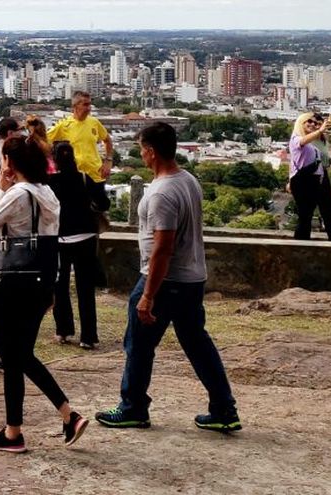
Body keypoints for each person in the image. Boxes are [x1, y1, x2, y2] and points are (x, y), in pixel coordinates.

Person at [96, 122, 240, 433]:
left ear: (150, 152)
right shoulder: (188, 180)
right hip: (191, 279)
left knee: (138, 344)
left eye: (141, 149)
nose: (141, 155)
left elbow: (163, 248)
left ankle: (132, 407)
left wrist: (148, 294)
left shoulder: (161, 193)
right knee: (198, 344)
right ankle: (224, 408)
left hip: (164, 281)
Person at [0, 135, 86, 453]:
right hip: (42, 281)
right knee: (18, 355)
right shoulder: (46, 192)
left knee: (15, 356)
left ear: (10, 162)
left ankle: (21, 431)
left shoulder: (19, 194)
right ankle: (56, 419)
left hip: (15, 282)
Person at [49, 141, 107, 348]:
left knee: (60, 286)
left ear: (55, 160)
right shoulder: (84, 178)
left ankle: (63, 330)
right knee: (85, 289)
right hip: (85, 237)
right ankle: (88, 336)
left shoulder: (51, 182)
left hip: (60, 238)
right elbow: (103, 203)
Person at [289, 111, 331, 240]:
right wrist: (319, 130)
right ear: (301, 123)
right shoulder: (296, 139)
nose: (313, 124)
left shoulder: (315, 144)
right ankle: (300, 246)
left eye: (316, 123)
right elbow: (301, 146)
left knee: (320, 213)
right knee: (305, 216)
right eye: (309, 121)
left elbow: (321, 165)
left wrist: (328, 183)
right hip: (303, 180)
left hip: (316, 179)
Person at [47, 91, 113, 183]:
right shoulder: (64, 125)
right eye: (85, 105)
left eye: (90, 104)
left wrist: (108, 161)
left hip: (96, 176)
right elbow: (44, 141)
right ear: (75, 106)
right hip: (74, 178)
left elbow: (107, 140)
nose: (89, 108)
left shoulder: (94, 122)